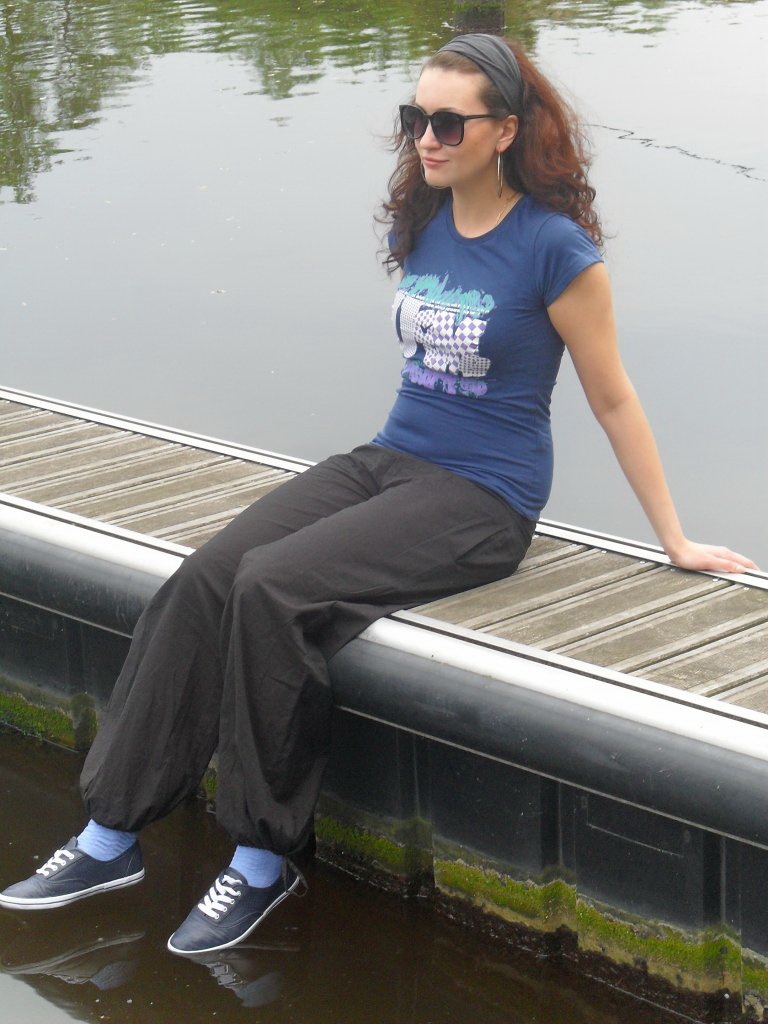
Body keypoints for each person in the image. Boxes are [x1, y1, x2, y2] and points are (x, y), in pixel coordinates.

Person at [0, 34, 755, 957]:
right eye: (415, 118)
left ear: (505, 131)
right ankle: (108, 837)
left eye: (448, 123)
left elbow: (613, 398)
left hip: (485, 496)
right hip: (391, 457)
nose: (426, 138)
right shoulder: (426, 222)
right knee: (205, 578)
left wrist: (673, 537)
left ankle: (261, 858)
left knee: (274, 588)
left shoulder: (556, 251)